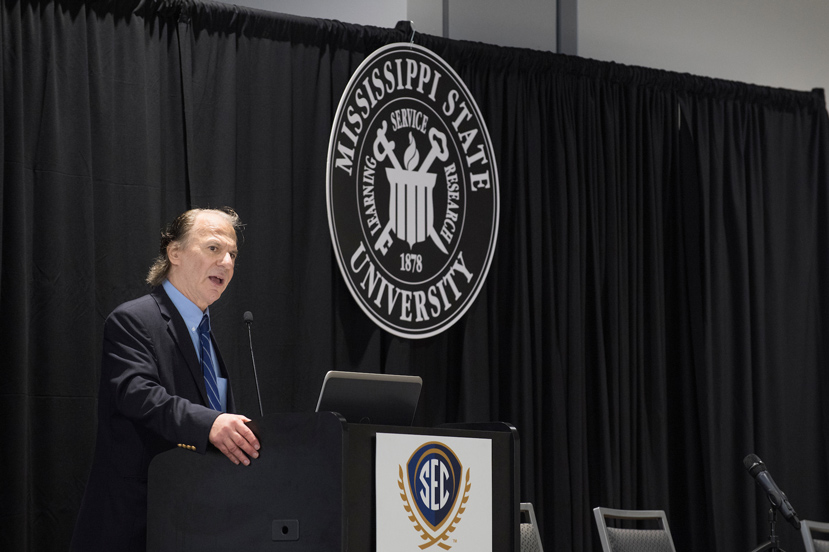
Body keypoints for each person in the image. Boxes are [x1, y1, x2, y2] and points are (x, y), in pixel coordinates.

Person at [71, 207, 260, 552]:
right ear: (174, 252)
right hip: (138, 527)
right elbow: (140, 395)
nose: (227, 263)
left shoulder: (206, 336)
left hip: (200, 525)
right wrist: (210, 424)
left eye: (233, 254)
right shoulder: (133, 321)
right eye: (214, 248)